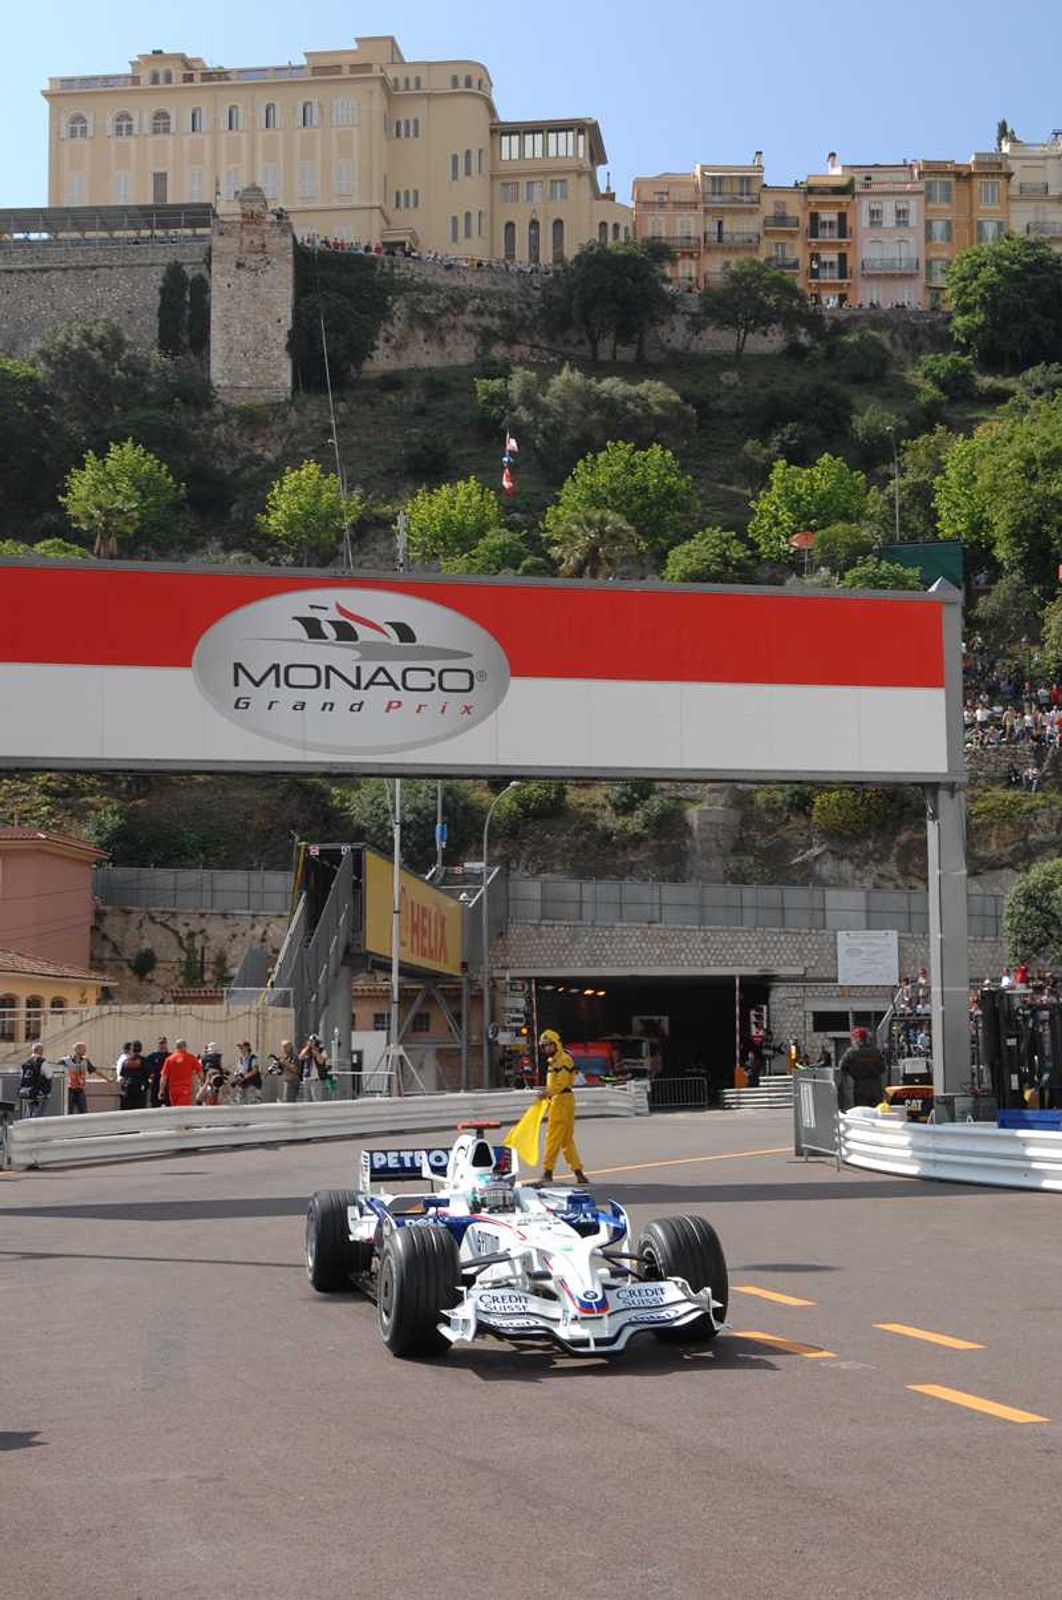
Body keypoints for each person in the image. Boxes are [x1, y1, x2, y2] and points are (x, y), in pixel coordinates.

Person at [536, 1028, 589, 1186]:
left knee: (552, 1138)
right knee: (566, 1141)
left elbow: (562, 1083)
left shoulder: (563, 1060)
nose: (545, 1048)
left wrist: (547, 1093)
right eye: (543, 1046)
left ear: (555, 1044)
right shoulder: (555, 1061)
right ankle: (579, 1173)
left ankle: (547, 1171)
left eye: (547, 1045)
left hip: (561, 1101)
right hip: (560, 1100)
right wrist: (549, 1094)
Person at [839, 1026, 886, 1109]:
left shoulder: (851, 1052)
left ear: (857, 1039)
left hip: (860, 1087)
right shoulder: (875, 1051)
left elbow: (842, 1066)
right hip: (876, 1087)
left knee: (862, 1113)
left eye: (853, 1038)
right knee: (876, 1112)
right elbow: (882, 1068)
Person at [159, 1038, 200, 1108]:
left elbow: (164, 1077)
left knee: (175, 1111)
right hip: (185, 1090)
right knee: (183, 1112)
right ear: (185, 1047)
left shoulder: (169, 1059)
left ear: (176, 1047)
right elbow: (200, 1072)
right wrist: (202, 1085)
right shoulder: (191, 1058)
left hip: (172, 1091)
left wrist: (161, 1090)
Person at [18, 1043, 53, 1118]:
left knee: (29, 1113)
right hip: (40, 1093)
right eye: (42, 1050)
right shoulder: (42, 1061)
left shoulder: (26, 1063)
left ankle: (27, 1128)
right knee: (38, 1115)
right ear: (40, 1051)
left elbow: (21, 1076)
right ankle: (35, 1129)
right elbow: (49, 1075)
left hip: (29, 1093)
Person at [62, 1041, 96, 1114]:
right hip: (69, 1089)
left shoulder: (85, 1061)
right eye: (83, 1049)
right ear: (77, 1049)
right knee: (69, 1110)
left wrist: (108, 1079)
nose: (85, 1051)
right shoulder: (66, 1060)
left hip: (80, 1089)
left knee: (83, 1111)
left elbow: (95, 1070)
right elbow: (56, 1069)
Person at [118, 1040, 149, 1111]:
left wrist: (122, 1090)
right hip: (140, 1090)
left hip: (128, 1090)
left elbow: (122, 1078)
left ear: (132, 1049)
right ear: (141, 1049)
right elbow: (149, 1075)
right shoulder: (144, 1061)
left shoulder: (126, 1061)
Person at [299, 1035, 328, 1102]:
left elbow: (321, 1061)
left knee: (317, 1100)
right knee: (307, 1100)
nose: (312, 1043)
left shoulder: (322, 1051)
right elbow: (300, 1057)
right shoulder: (307, 1051)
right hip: (307, 1078)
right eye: (311, 1041)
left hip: (316, 1079)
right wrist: (307, 1048)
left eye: (314, 1042)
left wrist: (316, 1052)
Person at [145, 1036, 169, 1107]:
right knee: (155, 1104)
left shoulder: (169, 1056)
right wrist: (149, 1077)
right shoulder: (152, 1056)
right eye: (160, 1043)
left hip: (167, 1084)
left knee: (168, 1105)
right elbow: (145, 1067)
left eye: (163, 1043)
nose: (162, 1045)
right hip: (155, 1083)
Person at [275, 1038, 300, 1103]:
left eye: (286, 1047)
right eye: (283, 1047)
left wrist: (285, 1063)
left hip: (292, 1082)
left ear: (290, 1047)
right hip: (286, 1082)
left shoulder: (294, 1056)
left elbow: (296, 1069)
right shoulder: (286, 1057)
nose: (284, 1049)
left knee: (290, 1101)